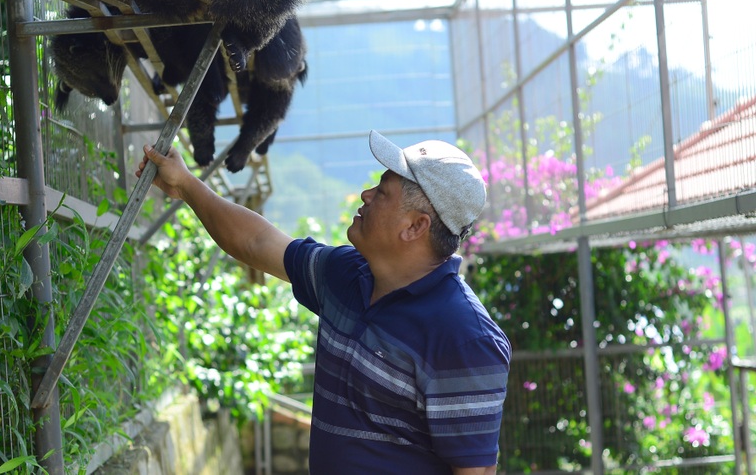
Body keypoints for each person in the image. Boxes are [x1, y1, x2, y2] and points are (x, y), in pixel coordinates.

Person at [136, 130, 511, 474]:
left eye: (382, 192)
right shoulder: (345, 275)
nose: (366, 195)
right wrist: (184, 184)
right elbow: (258, 243)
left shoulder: (465, 338)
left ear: (415, 226)